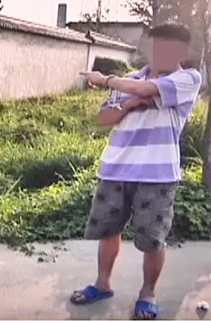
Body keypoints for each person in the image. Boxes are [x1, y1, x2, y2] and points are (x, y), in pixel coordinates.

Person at [73, 23, 202, 320]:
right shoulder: (130, 80)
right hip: (115, 167)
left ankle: (148, 293)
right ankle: (102, 284)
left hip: (157, 174)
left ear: (182, 52)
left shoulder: (187, 79)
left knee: (152, 239)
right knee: (109, 230)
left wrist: (105, 79)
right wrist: (130, 103)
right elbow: (104, 118)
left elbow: (147, 90)